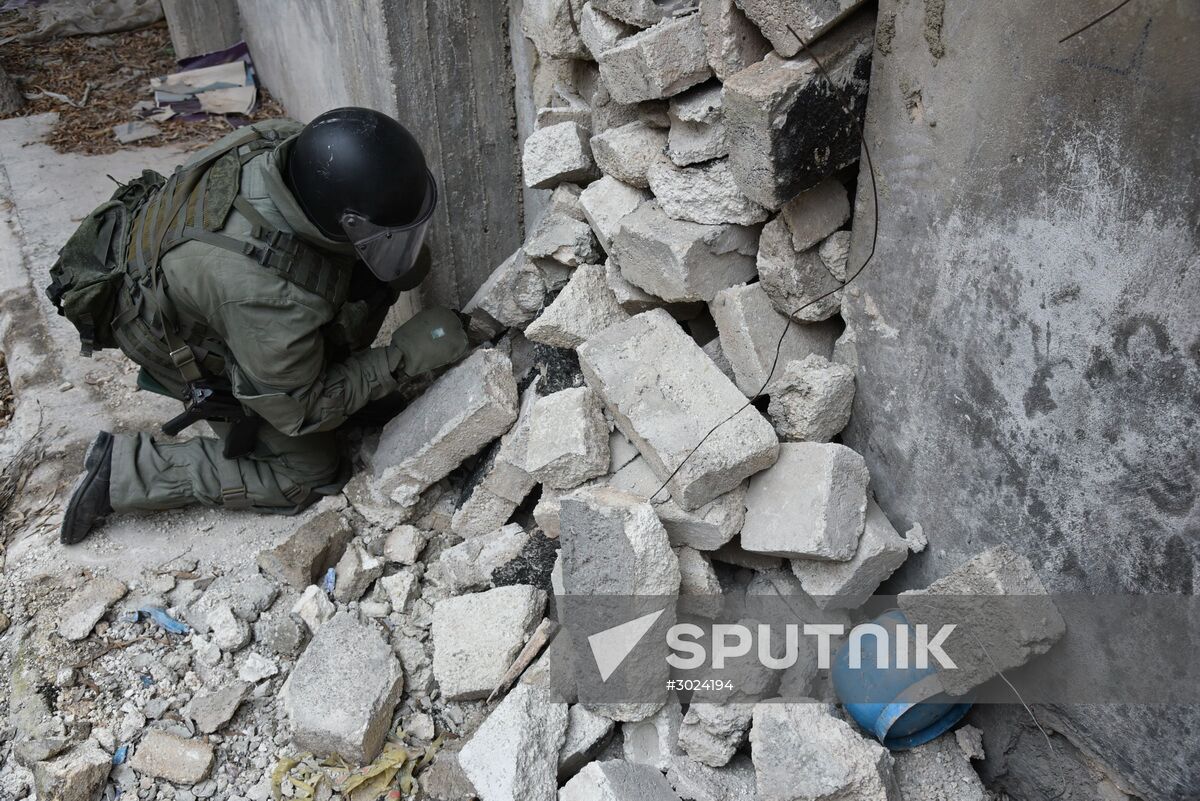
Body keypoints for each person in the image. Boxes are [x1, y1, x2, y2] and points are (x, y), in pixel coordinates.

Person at [46, 107, 469, 545]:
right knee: (307, 475)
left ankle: (321, 377)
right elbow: (300, 411)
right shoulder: (266, 296)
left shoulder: (289, 144)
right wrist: (402, 356)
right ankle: (123, 472)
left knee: (378, 282)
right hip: (162, 331)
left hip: (180, 275)